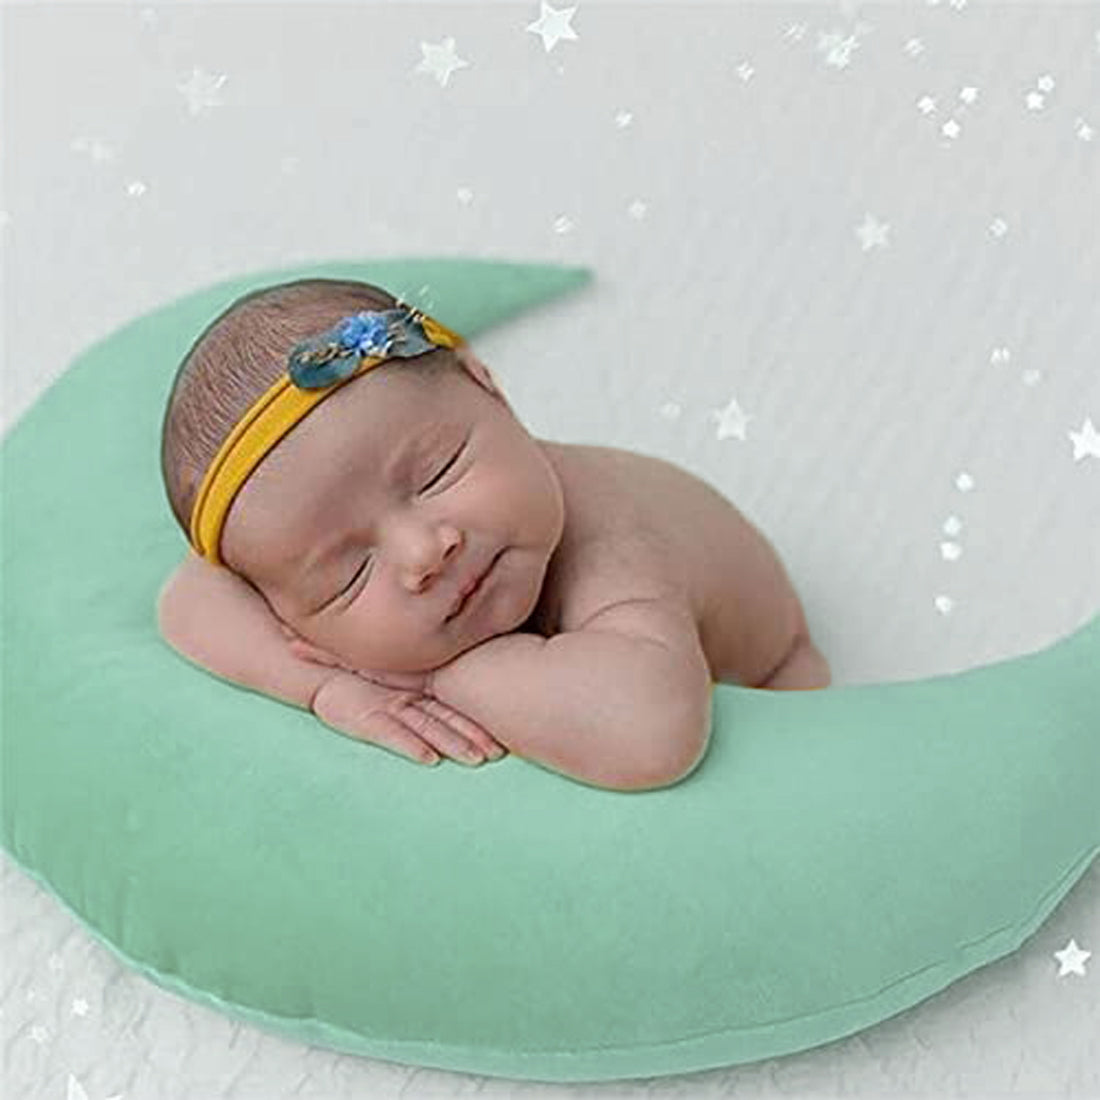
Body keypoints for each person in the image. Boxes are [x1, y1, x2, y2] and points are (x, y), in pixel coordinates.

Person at [158, 278, 830, 791]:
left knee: (789, 781)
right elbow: (188, 601)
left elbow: (653, 732)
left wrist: (433, 676)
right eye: (349, 573)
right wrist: (326, 688)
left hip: (767, 668)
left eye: (438, 473)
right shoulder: (285, 565)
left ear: (490, 390)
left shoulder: (614, 541)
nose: (425, 551)